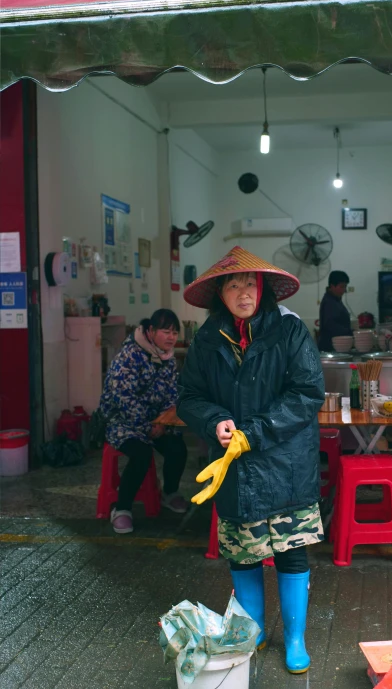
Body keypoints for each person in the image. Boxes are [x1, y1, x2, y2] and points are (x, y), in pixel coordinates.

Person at [177, 246, 325, 674]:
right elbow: (190, 398)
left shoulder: (290, 331)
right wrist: (215, 422)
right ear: (220, 293)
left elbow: (306, 394)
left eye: (250, 284)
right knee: (242, 553)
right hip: (236, 468)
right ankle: (254, 628)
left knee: (291, 552)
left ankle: (295, 639)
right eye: (234, 284)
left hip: (286, 463)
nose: (243, 292)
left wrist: (253, 433)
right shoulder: (207, 340)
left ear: (263, 290)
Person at [100, 309, 188, 535]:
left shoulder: (167, 358)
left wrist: (163, 423)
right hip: (122, 423)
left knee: (178, 447)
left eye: (174, 332)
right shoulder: (129, 356)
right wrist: (147, 427)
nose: (171, 337)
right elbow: (123, 399)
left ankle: (169, 493)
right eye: (165, 331)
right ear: (150, 331)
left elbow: (171, 394)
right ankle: (121, 509)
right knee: (141, 455)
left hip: (155, 423)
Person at [318, 270, 352, 351]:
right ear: (332, 286)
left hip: (337, 345)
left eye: (345, 286)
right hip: (330, 346)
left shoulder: (335, 300)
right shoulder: (329, 302)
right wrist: (351, 332)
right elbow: (330, 325)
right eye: (341, 286)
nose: (344, 290)